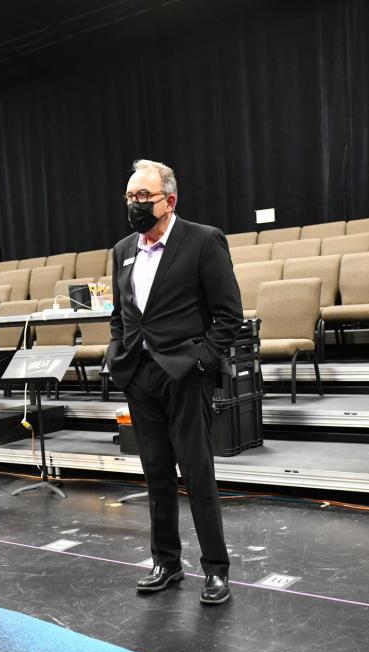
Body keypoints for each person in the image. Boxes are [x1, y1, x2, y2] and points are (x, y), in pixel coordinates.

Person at [107, 159, 243, 604]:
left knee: (197, 473)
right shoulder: (122, 249)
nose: (136, 205)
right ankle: (165, 562)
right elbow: (120, 315)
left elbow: (228, 316)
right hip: (139, 375)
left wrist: (201, 360)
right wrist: (118, 354)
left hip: (185, 375)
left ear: (170, 200)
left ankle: (216, 569)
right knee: (156, 475)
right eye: (130, 197)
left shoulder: (203, 241)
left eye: (143, 197)